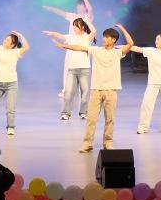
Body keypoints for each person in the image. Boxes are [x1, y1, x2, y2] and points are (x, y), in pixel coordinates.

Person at [51, 23, 134, 153]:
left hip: (111, 90)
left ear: (113, 40)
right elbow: (80, 47)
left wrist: (122, 28)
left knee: (110, 119)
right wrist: (64, 46)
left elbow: (130, 43)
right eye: (104, 36)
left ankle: (108, 142)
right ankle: (87, 143)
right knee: (91, 119)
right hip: (96, 90)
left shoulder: (118, 52)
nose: (104, 39)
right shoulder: (96, 50)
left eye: (107, 37)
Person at [44, 0, 95, 121]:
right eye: (77, 6)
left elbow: (93, 28)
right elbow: (61, 34)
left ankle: (83, 112)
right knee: (68, 91)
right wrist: (52, 32)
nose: (74, 27)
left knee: (85, 93)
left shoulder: (86, 35)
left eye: (76, 26)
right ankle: (66, 112)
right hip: (73, 66)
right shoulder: (71, 35)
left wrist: (85, 1)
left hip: (84, 68)